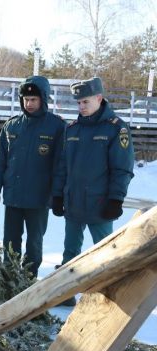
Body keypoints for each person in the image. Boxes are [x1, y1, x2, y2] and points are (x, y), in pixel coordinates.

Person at [51, 77, 134, 305]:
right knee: (70, 253)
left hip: (100, 205)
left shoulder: (116, 128)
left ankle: (111, 298)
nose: (81, 107)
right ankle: (65, 295)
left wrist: (116, 199)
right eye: (78, 103)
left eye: (85, 102)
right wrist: (57, 195)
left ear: (99, 98)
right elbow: (62, 167)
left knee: (107, 254)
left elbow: (122, 168)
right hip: (73, 202)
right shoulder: (72, 129)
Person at [0, 76, 65, 278]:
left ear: (44, 99)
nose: (29, 104)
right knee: (10, 240)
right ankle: (10, 276)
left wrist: (57, 195)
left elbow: (60, 165)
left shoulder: (56, 127)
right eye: (25, 99)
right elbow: (1, 161)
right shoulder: (11, 126)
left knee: (34, 241)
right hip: (13, 195)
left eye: (33, 99)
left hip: (39, 198)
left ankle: (29, 277)